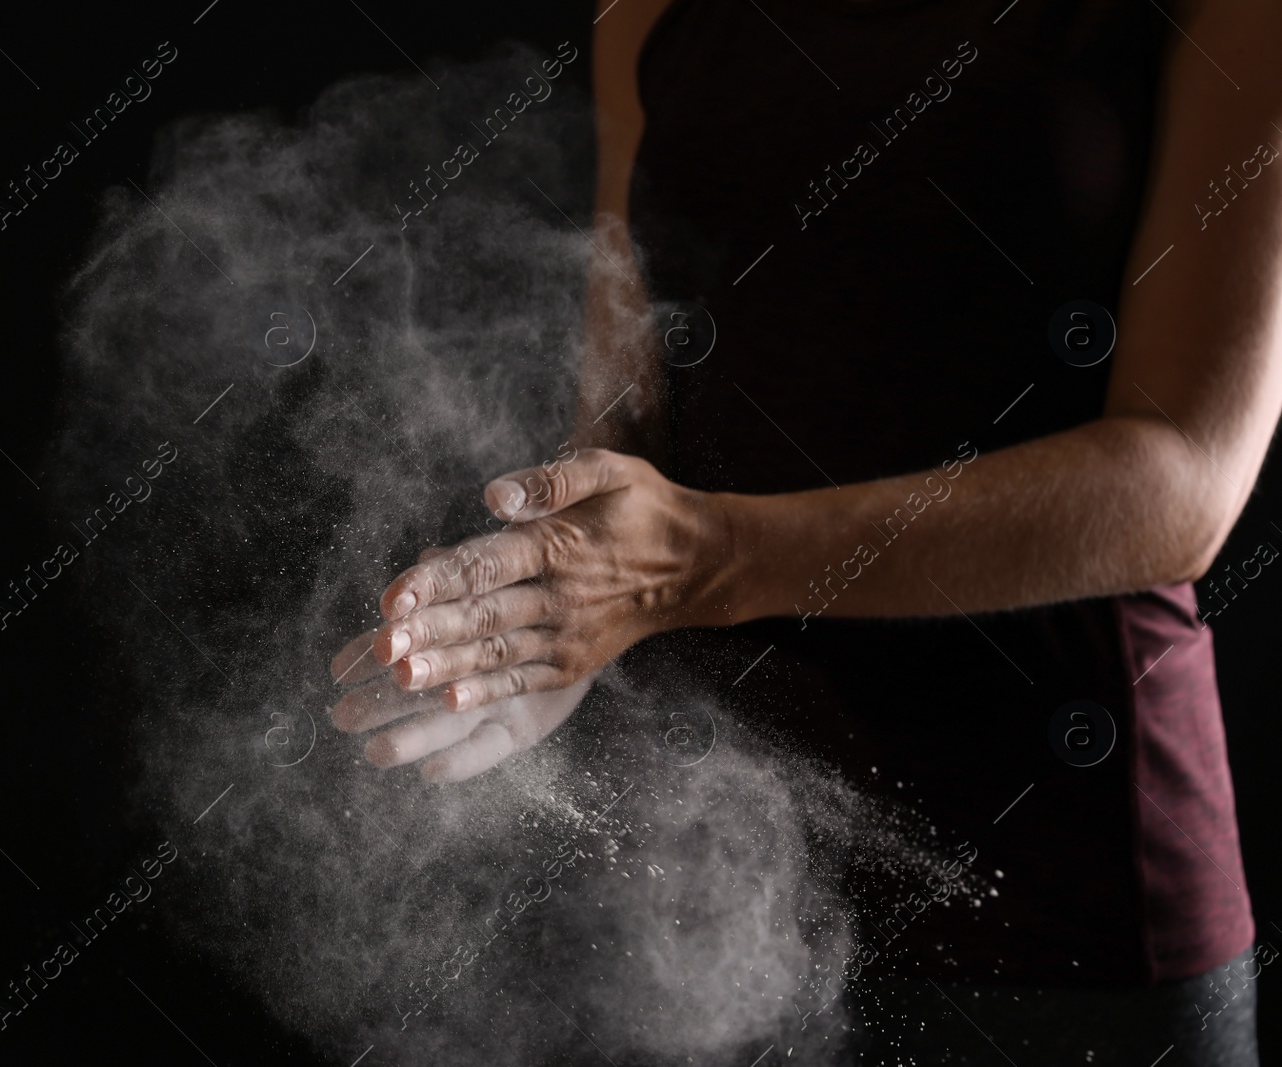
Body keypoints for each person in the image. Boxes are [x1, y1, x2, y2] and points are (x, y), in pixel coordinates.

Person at [331, 0, 1281, 1061]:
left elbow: (1183, 481)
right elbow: (632, 409)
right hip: (702, 892)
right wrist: (543, 596)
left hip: (1066, 902)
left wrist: (696, 563)